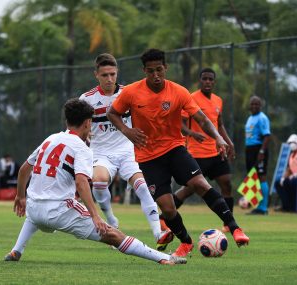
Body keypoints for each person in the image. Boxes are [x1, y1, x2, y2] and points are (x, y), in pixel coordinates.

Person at [4, 98, 185, 265]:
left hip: (33, 209)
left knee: (36, 215)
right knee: (113, 235)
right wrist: (95, 216)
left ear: (67, 121)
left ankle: (16, 251)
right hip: (58, 211)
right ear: (88, 123)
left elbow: (23, 170)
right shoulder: (81, 148)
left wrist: (20, 196)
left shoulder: (50, 139)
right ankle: (163, 258)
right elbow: (81, 182)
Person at [107, 48, 249, 257]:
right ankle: (186, 242)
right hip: (148, 158)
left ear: (165, 68)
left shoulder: (179, 92)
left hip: (175, 149)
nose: (155, 75)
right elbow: (112, 113)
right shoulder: (131, 92)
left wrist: (218, 138)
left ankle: (235, 228)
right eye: (150, 71)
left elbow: (201, 118)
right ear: (144, 71)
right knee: (168, 208)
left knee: (200, 184)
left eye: (159, 70)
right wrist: (127, 131)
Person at [78, 53, 171, 245]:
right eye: (104, 75)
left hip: (128, 149)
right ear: (96, 75)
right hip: (101, 152)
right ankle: (111, 220)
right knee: (100, 181)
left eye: (112, 74)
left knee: (143, 186)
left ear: (117, 72)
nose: (109, 79)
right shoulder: (86, 99)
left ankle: (158, 233)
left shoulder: (128, 92)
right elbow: (78, 127)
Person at [166, 67, 236, 233]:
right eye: (204, 79)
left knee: (226, 183)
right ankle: (165, 217)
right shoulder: (191, 98)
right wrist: (191, 133)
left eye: (211, 79)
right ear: (200, 80)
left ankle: (229, 222)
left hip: (216, 151)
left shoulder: (218, 100)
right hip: (197, 153)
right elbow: (180, 123)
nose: (208, 82)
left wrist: (229, 142)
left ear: (214, 82)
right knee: (191, 189)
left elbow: (220, 125)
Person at [244, 95, 271, 215]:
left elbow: (267, 136)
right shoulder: (250, 118)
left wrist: (261, 152)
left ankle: (263, 208)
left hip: (258, 149)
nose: (254, 106)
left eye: (257, 104)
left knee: (261, 176)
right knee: (252, 177)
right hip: (250, 149)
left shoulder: (262, 118)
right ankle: (254, 204)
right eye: (252, 104)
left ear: (261, 106)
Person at [274, 134, 297, 212]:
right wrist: (283, 178)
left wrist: (296, 175)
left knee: (291, 182)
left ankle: (294, 207)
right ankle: (286, 206)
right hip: (292, 177)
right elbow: (289, 169)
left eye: (293, 142)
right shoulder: (291, 155)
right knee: (278, 183)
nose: (291, 144)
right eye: (290, 143)